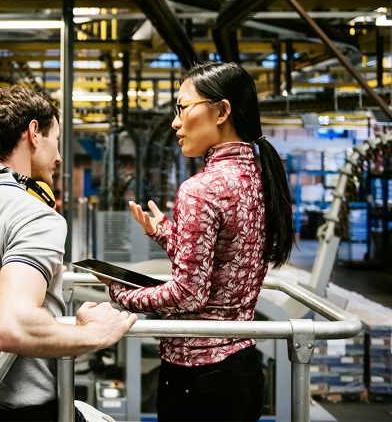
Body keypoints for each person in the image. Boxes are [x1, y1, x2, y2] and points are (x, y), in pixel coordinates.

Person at [101, 62, 294, 421]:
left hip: (197, 380)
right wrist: (164, 233)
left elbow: (188, 294)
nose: (175, 122)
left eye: (182, 108)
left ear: (221, 111)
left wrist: (120, 294)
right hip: (241, 369)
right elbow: (224, 263)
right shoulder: (259, 178)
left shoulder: (201, 189)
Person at [0, 85, 137, 422]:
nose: (58, 158)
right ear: (33, 133)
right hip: (27, 414)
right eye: (55, 141)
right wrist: (92, 334)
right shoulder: (36, 216)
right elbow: (12, 327)